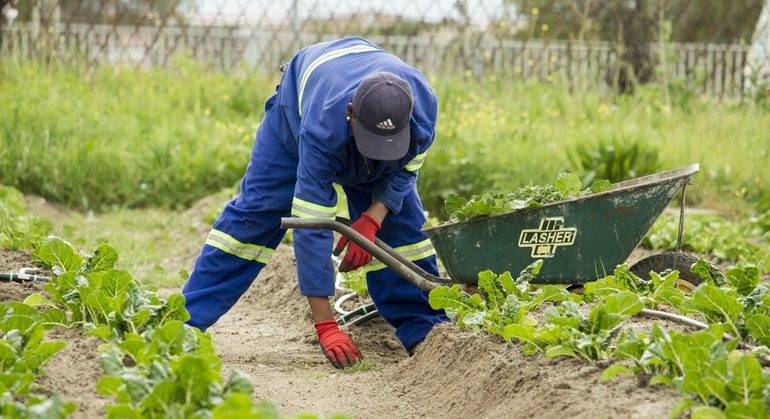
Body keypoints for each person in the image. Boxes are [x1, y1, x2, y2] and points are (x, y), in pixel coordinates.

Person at [181, 36, 449, 369]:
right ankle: (184, 323)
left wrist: (373, 219)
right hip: (297, 116)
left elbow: (405, 170)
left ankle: (425, 331)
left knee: (400, 229)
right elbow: (312, 226)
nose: (377, 155)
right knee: (256, 214)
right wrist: (325, 324)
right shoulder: (323, 129)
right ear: (350, 114)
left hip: (358, 103)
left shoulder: (422, 109)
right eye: (371, 144)